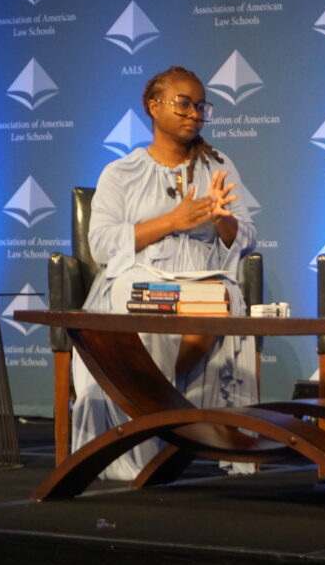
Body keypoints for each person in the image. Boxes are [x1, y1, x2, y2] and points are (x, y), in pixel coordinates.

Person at [71, 65, 258, 480]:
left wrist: (223, 218)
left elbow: (245, 237)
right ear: (154, 107)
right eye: (183, 103)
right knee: (131, 296)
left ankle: (156, 412)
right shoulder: (121, 173)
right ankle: (151, 424)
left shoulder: (219, 165)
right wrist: (175, 220)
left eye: (200, 106)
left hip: (201, 277)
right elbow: (101, 244)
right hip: (137, 276)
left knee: (220, 296)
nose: (195, 113)